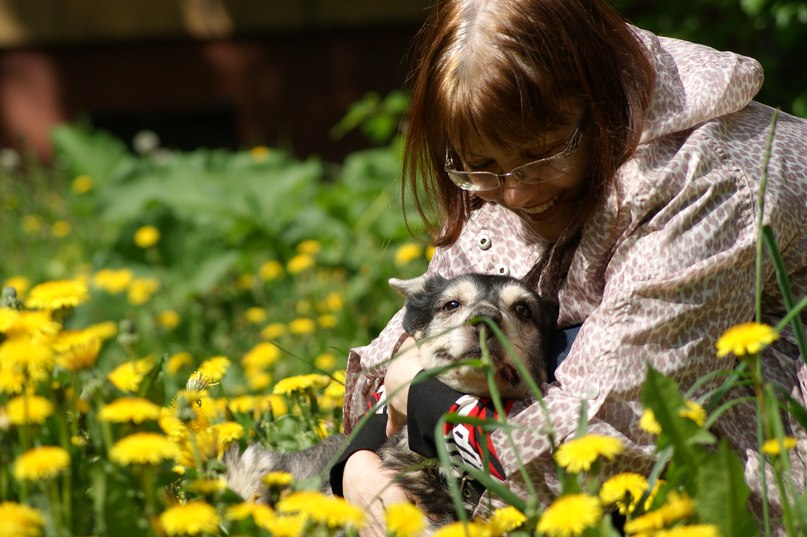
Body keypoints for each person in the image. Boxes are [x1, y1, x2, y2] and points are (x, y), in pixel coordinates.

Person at [332, 0, 807, 534]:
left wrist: (417, 398)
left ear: (597, 100)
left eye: (538, 156)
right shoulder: (522, 157)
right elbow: (399, 353)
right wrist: (359, 464)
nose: (513, 193)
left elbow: (598, 447)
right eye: (481, 168)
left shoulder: (707, 183)